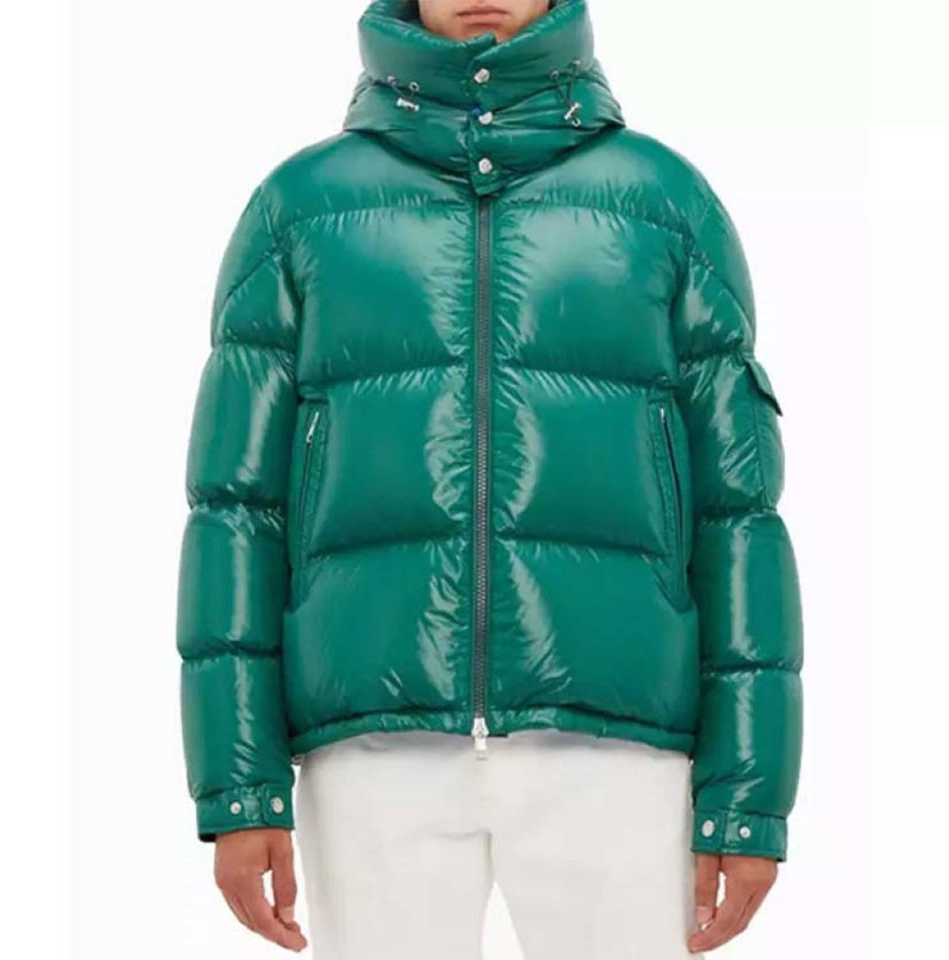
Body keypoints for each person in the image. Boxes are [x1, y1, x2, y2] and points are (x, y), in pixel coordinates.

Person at [175, 1, 803, 957]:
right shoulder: (298, 210)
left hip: (617, 743)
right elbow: (234, 512)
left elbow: (740, 518)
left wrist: (748, 795)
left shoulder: (665, 204)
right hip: (371, 745)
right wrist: (239, 785)